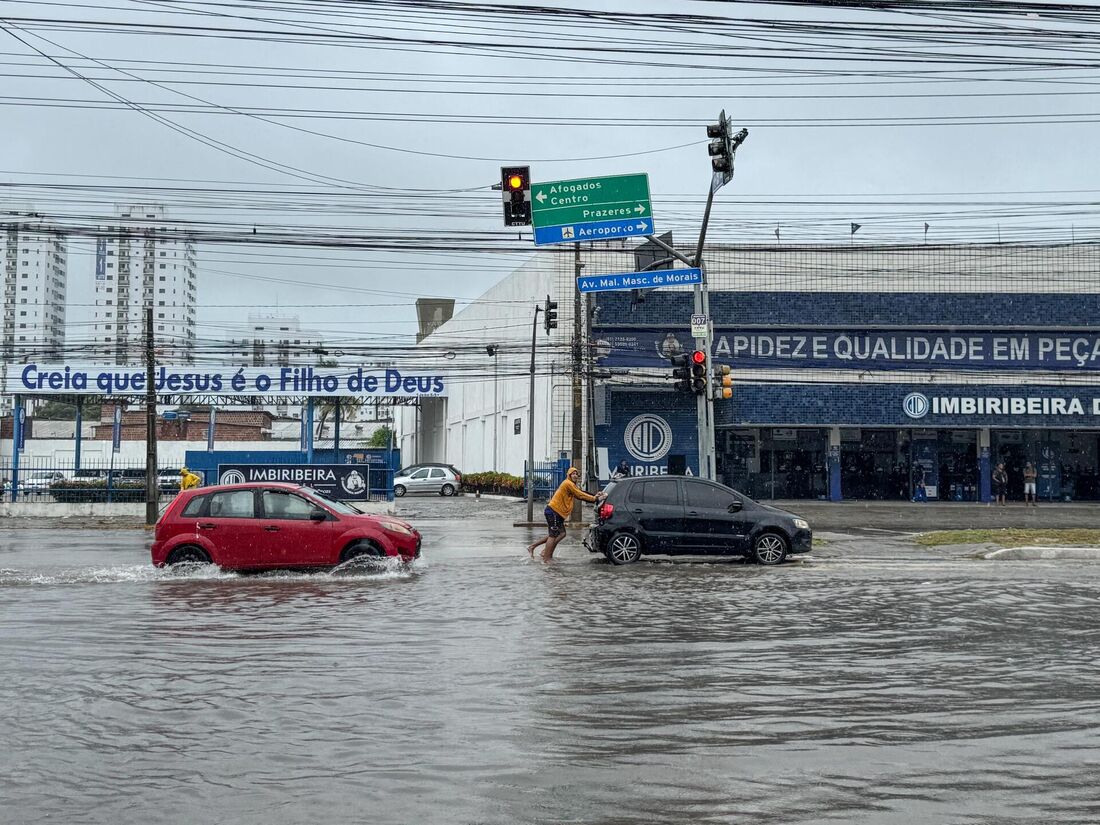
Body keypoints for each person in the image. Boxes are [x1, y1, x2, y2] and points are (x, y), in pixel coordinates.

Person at [527, 467, 604, 562]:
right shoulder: (568, 483)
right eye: (573, 474)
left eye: (576, 474)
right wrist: (595, 499)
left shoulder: (572, 485)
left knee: (561, 533)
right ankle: (546, 558)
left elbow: (582, 492)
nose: (575, 475)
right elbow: (579, 495)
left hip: (558, 513)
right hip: (553, 511)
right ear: (569, 475)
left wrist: (595, 495)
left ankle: (536, 548)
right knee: (553, 535)